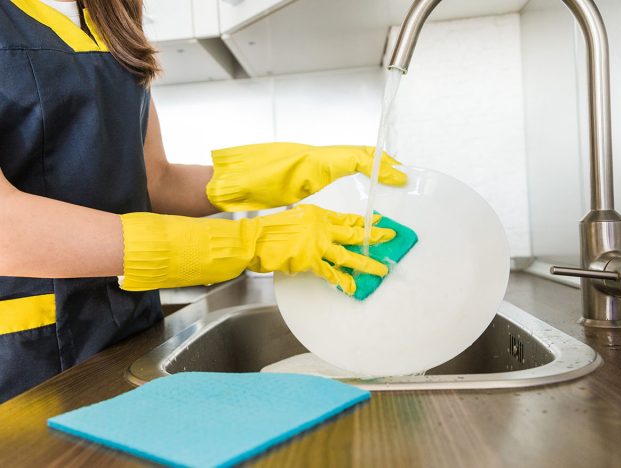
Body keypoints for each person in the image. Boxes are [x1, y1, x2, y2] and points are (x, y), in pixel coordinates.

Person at [0, 0, 407, 403]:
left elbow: (156, 181)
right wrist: (249, 242)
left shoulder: (112, 17)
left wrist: (296, 170)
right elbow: (7, 230)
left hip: (126, 335)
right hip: (25, 356)